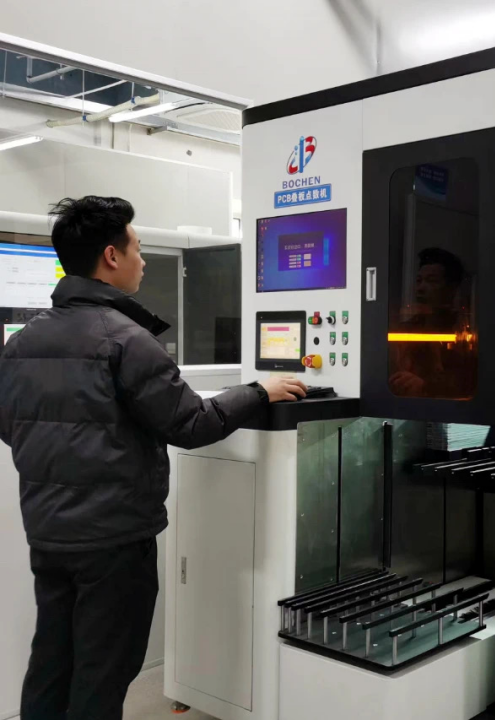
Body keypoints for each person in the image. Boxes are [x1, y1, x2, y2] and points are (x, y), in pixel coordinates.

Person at [0, 196, 307, 720]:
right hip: (114, 539)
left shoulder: (24, 340)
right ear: (111, 256)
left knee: (52, 658)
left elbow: (13, 427)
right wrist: (259, 391)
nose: (142, 260)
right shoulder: (126, 339)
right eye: (138, 249)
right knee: (103, 669)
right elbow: (191, 424)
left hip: (48, 533)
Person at [389, 247, 477, 398]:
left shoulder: (464, 332)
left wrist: (426, 387)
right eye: (419, 281)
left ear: (451, 288)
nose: (421, 288)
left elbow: (467, 383)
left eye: (431, 281)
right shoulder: (405, 331)